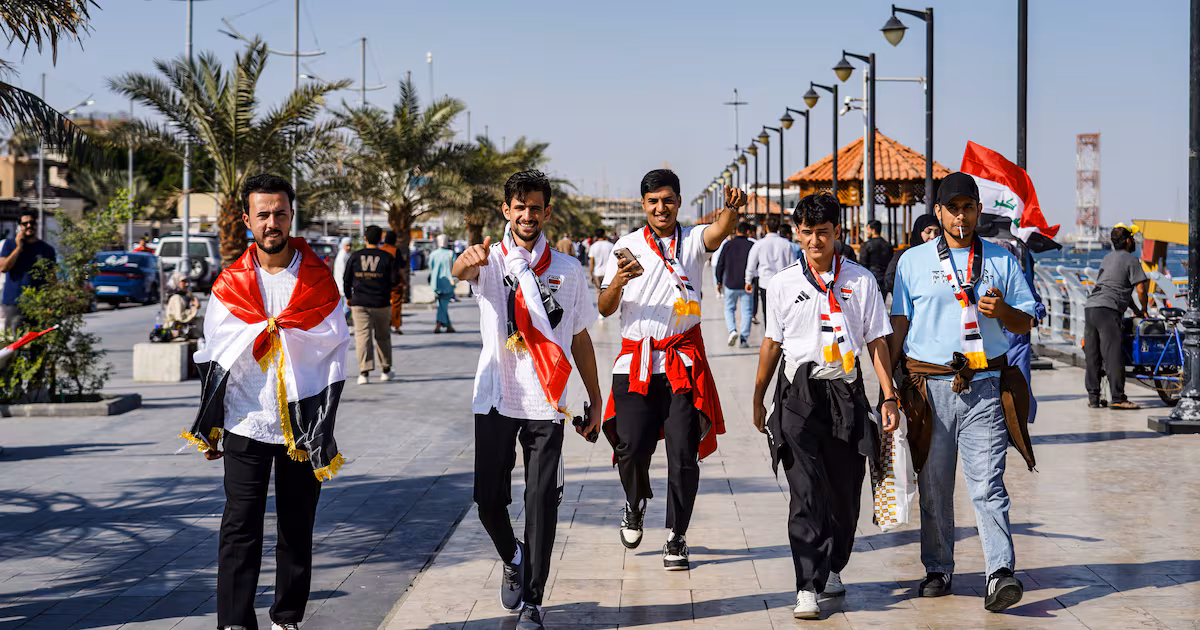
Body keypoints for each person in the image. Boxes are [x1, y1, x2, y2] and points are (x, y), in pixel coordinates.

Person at [181, 174, 350, 630]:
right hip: (244, 421)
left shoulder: (318, 282)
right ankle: (235, 622)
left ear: (291, 216)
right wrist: (211, 424)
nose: (272, 222)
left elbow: (335, 349)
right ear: (247, 220)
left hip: (299, 424)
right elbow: (213, 353)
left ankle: (287, 618)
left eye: (279, 213)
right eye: (263, 214)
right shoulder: (229, 284)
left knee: (296, 527)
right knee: (239, 527)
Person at [453, 170, 603, 630]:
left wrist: (594, 398)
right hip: (497, 395)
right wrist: (465, 259)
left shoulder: (568, 270)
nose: (527, 215)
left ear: (547, 213)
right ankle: (512, 556)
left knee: (541, 501)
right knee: (486, 501)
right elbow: (462, 273)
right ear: (506, 211)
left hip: (547, 402)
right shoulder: (492, 260)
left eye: (535, 208)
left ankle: (534, 599)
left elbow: (578, 337)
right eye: (519, 207)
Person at [888, 172, 1037, 613]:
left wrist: (1004, 310)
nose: (961, 216)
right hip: (928, 389)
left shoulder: (1001, 260)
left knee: (987, 485)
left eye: (968, 207)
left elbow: (1025, 321)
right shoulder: (912, 262)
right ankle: (938, 567)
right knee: (934, 487)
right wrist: (888, 385)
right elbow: (900, 321)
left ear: (978, 211)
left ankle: (1000, 573)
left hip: (984, 387)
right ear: (938, 212)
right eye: (952, 208)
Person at [752, 193, 900, 619]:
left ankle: (834, 564)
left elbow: (876, 341)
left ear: (838, 232)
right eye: (807, 232)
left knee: (844, 493)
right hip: (798, 392)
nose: (815, 241)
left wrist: (888, 396)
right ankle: (806, 585)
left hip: (846, 393)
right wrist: (758, 396)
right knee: (806, 492)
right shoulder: (781, 283)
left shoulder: (860, 281)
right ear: (796, 233)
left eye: (823, 232)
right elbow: (771, 343)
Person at [598, 169, 746, 570]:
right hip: (636, 361)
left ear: (678, 202)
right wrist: (619, 282)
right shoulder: (626, 245)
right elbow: (605, 306)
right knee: (630, 446)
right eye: (653, 201)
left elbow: (718, 232)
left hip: (681, 361)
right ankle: (634, 502)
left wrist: (731, 211)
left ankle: (677, 536)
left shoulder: (693, 239)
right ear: (643, 204)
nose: (660, 208)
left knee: (684, 454)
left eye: (668, 200)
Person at [1084, 224, 1150, 410]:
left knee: (1093, 355)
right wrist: (1144, 309)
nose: (1135, 242)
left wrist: (1135, 310)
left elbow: (1115, 288)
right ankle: (1118, 398)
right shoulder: (1131, 259)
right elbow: (1141, 288)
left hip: (1091, 308)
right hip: (1108, 310)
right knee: (1112, 354)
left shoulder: (1107, 258)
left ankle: (1094, 398)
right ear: (1128, 241)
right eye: (1133, 239)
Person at [343, 225, 401, 385]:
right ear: (380, 239)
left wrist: (349, 297)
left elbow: (346, 279)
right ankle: (386, 370)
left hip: (359, 302)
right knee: (383, 336)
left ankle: (364, 372)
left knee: (362, 336)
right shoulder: (387, 257)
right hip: (381, 302)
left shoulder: (355, 256)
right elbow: (395, 279)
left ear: (365, 239)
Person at [0, 210, 56, 332]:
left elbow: (51, 279)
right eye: (25, 224)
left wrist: (51, 303)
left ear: (36, 225)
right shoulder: (9, 244)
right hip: (14, 303)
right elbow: (3, 267)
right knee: (14, 343)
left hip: (38, 304)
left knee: (38, 343)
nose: (29, 226)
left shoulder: (47, 249)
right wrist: (19, 248)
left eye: (32, 223)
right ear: (20, 226)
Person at [745, 215, 796, 328]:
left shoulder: (759, 244)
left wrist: (748, 281)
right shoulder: (786, 244)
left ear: (766, 227)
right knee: (782, 313)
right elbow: (792, 265)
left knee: (767, 312)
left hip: (765, 283)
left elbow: (751, 264)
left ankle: (770, 336)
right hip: (782, 284)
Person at [714, 221, 755, 348]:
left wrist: (719, 281)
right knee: (747, 311)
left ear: (736, 231)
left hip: (730, 283)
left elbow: (720, 264)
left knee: (729, 309)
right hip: (747, 284)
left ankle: (732, 331)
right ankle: (743, 339)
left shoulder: (728, 245)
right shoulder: (752, 245)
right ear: (748, 232)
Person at [883, 213, 941, 296]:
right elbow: (889, 279)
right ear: (918, 231)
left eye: (937, 232)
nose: (933, 236)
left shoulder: (942, 256)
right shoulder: (905, 255)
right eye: (928, 231)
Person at [379, 230, 407, 335]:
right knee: (396, 304)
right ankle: (396, 326)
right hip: (394, 282)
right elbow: (401, 267)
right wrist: (403, 281)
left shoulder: (381, 250)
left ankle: (384, 325)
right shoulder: (395, 251)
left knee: (383, 304)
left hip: (381, 282)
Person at [428, 234, 457, 333]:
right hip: (448, 283)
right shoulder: (451, 253)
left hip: (435, 283)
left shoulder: (433, 254)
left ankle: (448, 326)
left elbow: (430, 267)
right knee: (443, 304)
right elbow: (456, 268)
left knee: (441, 304)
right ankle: (439, 324)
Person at [858, 220, 893, 291]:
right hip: (884, 279)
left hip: (871, 278)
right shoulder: (888, 245)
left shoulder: (866, 245)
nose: (866, 232)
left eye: (868, 230)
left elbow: (862, 264)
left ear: (873, 230)